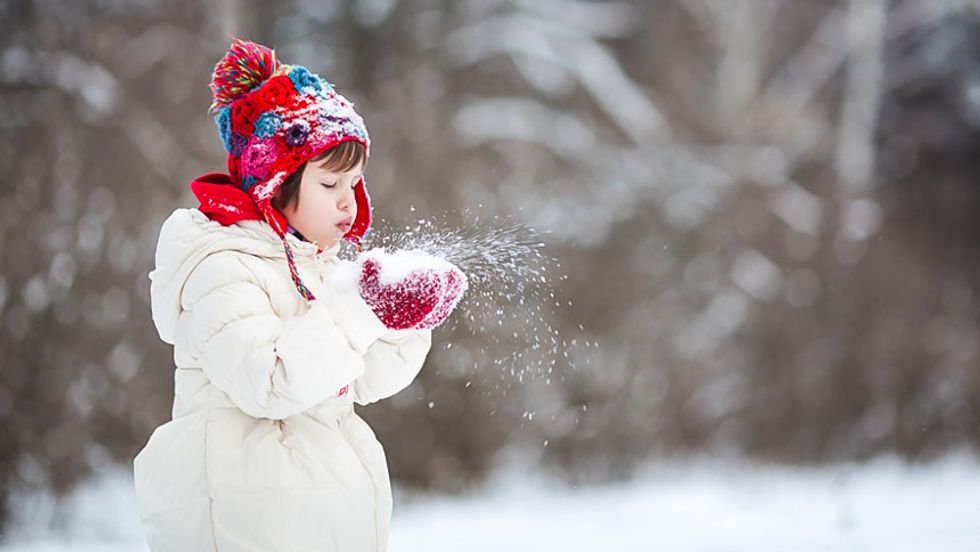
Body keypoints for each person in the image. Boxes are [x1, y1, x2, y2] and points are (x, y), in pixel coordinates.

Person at [133, 38, 466, 551]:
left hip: (313, 514)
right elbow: (269, 382)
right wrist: (360, 310)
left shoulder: (317, 267)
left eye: (355, 184)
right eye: (331, 184)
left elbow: (359, 381)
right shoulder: (221, 267)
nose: (348, 202)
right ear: (275, 182)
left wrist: (403, 324)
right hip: (243, 519)